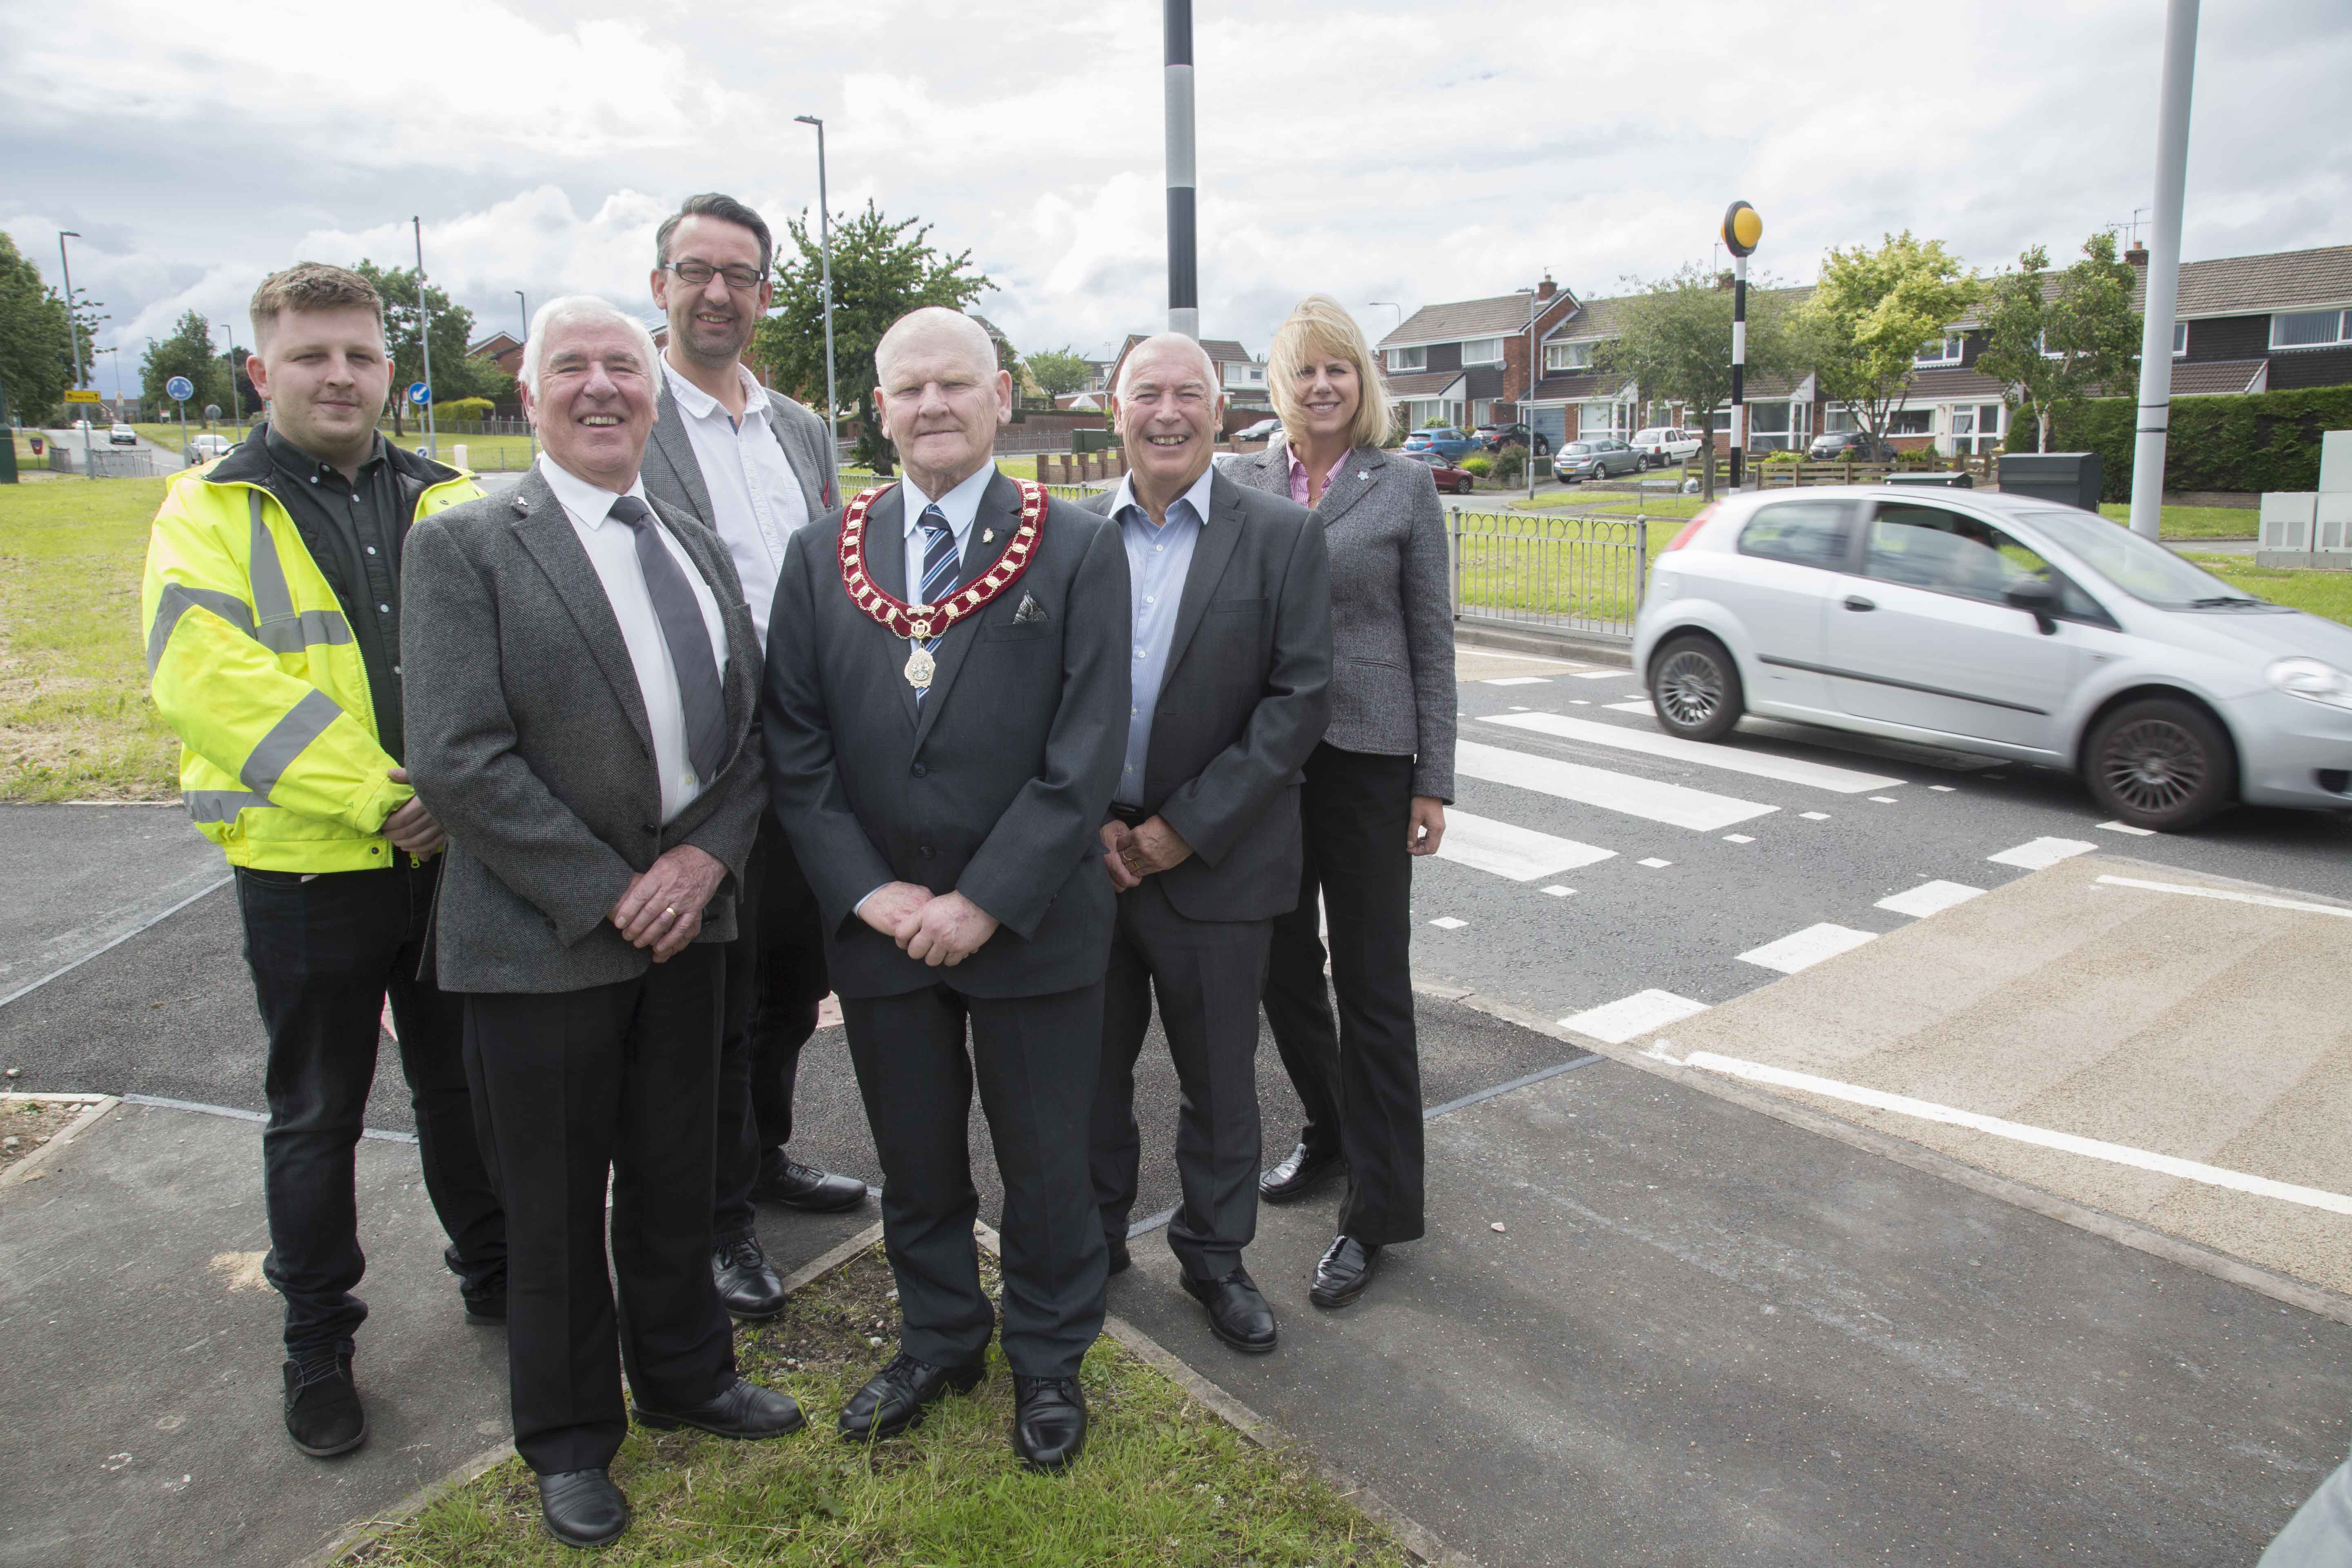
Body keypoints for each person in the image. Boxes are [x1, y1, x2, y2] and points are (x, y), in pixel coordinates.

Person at [401, 296, 800, 1550]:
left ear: (651, 388)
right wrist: (608, 889)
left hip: (693, 927)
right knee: (558, 1204)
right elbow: (461, 759)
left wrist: (700, 862)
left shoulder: (680, 530)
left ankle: (687, 1377)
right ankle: (571, 1440)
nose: (598, 387)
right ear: (529, 395)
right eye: (568, 367)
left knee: (682, 1173)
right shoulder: (467, 545)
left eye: (620, 366)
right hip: (543, 941)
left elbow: (748, 737)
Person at [140, 262, 506, 1462]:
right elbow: (212, 682)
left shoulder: (456, 496)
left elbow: (521, 651)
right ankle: (317, 1343)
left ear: (390, 370)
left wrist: (455, 799)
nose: (338, 375)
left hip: (452, 860)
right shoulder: (210, 508)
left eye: (358, 354)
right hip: (309, 866)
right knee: (317, 1113)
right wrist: (382, 797)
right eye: (311, 356)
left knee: (464, 1089)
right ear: (263, 372)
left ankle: (493, 1276)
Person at [762, 307, 1129, 1471]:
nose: (931, 406)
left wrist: (981, 901)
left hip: (1030, 927)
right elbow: (797, 743)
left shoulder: (1074, 547)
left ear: (1001, 395)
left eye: (954, 385)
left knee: (1045, 1163)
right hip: (882, 934)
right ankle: (938, 1337)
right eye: (907, 389)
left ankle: (1049, 1355)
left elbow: (1085, 755)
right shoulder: (820, 551)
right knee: (915, 1159)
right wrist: (872, 897)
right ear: (876, 411)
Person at [641, 192, 867, 1325]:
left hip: (807, 760)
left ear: (766, 295)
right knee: (713, 1009)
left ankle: (768, 1161)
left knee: (789, 989)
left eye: (739, 274)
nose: (717, 292)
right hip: (705, 770)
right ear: (661, 288)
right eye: (696, 271)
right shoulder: (632, 417)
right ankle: (719, 1220)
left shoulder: (800, 429)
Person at [1080, 334, 1330, 1354]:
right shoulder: (1061, 535)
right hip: (1086, 863)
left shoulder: (1280, 537)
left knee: (1221, 1083)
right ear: (1117, 409)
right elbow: (1035, 696)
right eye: (1150, 393)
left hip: (1218, 866)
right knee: (1082, 1077)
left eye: (1190, 393)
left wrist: (1184, 829)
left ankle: (1215, 1258)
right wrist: (1089, 815)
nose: (1169, 412)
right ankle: (1092, 1246)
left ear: (1221, 413)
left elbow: (1298, 698)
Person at [1229, 294, 1456, 1310]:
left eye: (1341, 370)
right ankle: (1328, 1129)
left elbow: (1431, 640)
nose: (1324, 387)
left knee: (1372, 985)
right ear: (1280, 385)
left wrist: (1433, 779)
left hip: (1369, 761)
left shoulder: (1404, 486)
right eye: (1306, 371)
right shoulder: (1241, 479)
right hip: (1269, 760)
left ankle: (1376, 1209)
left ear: (1364, 384)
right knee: (1282, 966)